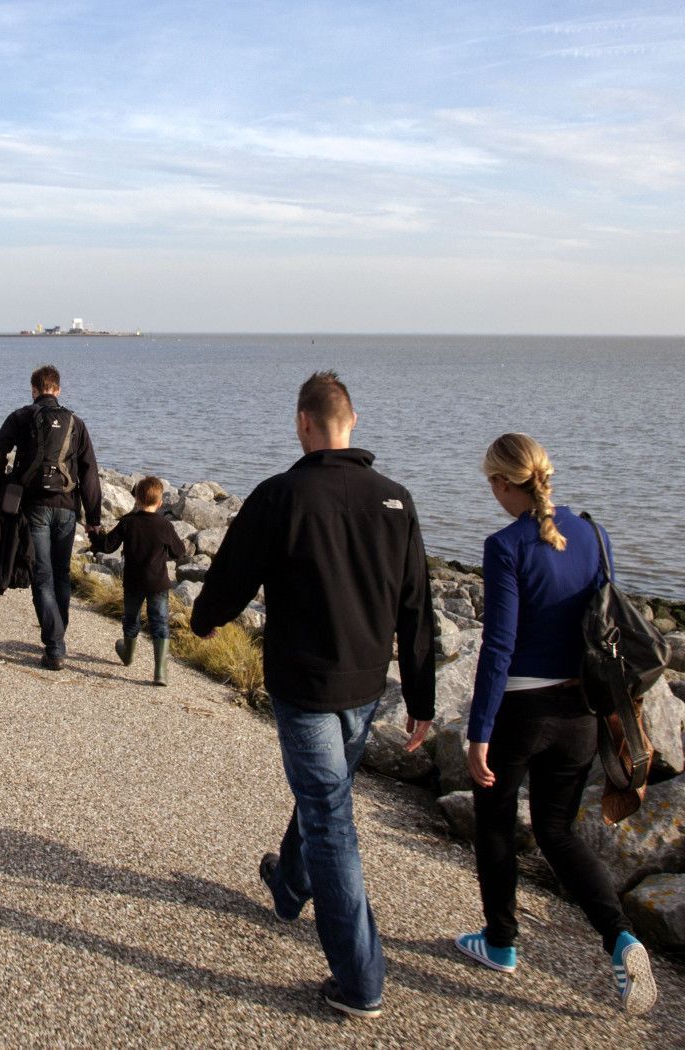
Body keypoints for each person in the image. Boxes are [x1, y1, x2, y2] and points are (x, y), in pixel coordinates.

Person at [190, 371, 435, 1019]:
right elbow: (417, 607)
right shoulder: (396, 501)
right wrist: (422, 695)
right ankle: (290, 883)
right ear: (351, 422)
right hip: (365, 683)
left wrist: (205, 616)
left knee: (329, 818)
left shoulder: (281, 495)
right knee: (326, 796)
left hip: (303, 686)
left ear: (304, 424)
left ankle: (361, 982)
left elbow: (233, 572)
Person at [428, 432, 657, 1015]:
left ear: (506, 484)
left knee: (497, 822)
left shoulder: (505, 545)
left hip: (522, 713)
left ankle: (501, 942)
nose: (492, 495)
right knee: (558, 833)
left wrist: (479, 730)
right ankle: (620, 937)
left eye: (491, 485)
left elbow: (499, 645)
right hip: (582, 712)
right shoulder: (595, 535)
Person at [0, 364, 102, 671]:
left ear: (34, 390)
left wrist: (3, 490)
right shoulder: (76, 423)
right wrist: (93, 517)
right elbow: (90, 473)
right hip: (67, 508)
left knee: (42, 575)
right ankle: (57, 635)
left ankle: (55, 644)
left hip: (33, 505)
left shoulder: (21, 417)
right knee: (61, 574)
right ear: (58, 390)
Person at [90, 476, 186, 685]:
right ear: (160, 502)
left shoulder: (128, 522)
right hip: (158, 583)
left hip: (133, 582)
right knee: (160, 622)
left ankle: (127, 654)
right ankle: (160, 672)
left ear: (136, 499)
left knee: (131, 619)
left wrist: (94, 535)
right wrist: (165, 552)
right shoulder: (165, 525)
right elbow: (180, 552)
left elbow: (107, 546)